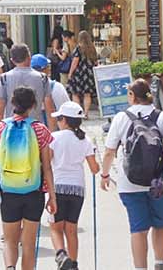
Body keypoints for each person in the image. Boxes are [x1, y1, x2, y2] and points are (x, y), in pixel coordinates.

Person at [102, 77, 163, 270]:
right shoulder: (161, 117)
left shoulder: (121, 117)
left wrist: (104, 174)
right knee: (160, 223)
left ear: (132, 96)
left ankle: (140, 268)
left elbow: (110, 150)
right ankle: (160, 263)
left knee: (138, 228)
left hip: (130, 182)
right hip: (159, 181)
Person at [0, 85, 57, 270]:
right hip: (33, 192)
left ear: (12, 103)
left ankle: (10, 266)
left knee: (10, 241)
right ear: (33, 105)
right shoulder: (40, 129)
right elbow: (48, 167)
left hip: (8, 191)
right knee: (28, 244)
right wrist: (52, 196)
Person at [49, 100, 100, 270]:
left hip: (57, 187)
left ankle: (61, 255)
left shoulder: (54, 138)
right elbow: (94, 169)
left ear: (64, 120)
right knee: (71, 228)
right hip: (77, 188)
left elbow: (47, 163)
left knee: (55, 228)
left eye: (59, 119)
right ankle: (74, 263)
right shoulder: (85, 140)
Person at [1, 47, 56, 121]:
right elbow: (50, 109)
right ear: (29, 57)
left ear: (12, 60)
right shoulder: (43, 78)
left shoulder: (4, 78)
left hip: (12, 128)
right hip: (35, 128)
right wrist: (52, 131)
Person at [64, 32, 99, 113]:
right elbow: (96, 62)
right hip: (89, 74)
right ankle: (86, 113)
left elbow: (75, 61)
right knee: (87, 94)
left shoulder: (78, 48)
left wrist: (70, 72)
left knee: (75, 93)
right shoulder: (92, 48)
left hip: (78, 74)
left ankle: (78, 112)